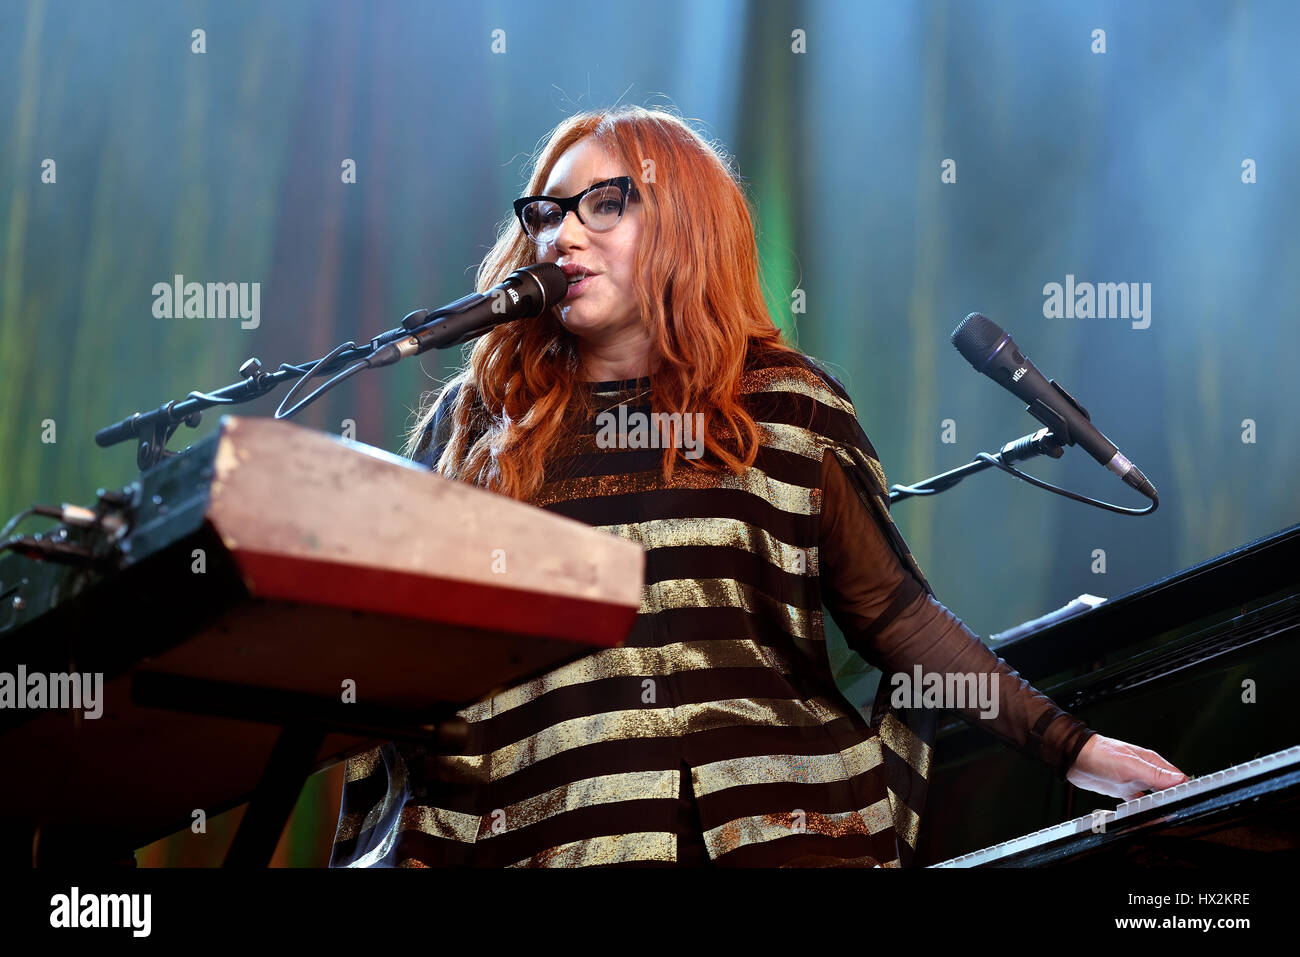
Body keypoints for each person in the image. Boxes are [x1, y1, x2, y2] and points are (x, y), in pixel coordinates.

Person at [330, 105, 1186, 868]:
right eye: (548, 213)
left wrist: (1071, 746)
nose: (565, 236)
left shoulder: (785, 404)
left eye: (604, 204)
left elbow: (897, 618)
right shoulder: (482, 418)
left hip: (764, 836)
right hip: (531, 835)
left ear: (686, 226)